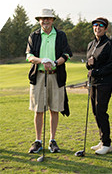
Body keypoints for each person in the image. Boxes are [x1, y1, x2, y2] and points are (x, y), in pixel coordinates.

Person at [26, 8, 72, 154]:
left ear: (52, 20)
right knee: (39, 110)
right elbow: (29, 56)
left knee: (54, 109)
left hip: (56, 75)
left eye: (48, 18)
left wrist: (54, 62)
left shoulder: (60, 35)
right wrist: (42, 61)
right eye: (43, 18)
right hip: (38, 75)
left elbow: (66, 54)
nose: (45, 21)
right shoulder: (34, 35)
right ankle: (38, 141)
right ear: (39, 20)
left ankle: (52, 140)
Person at [86, 17, 112, 155]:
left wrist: (96, 71)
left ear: (105, 29)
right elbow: (88, 63)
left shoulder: (109, 44)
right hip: (93, 82)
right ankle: (102, 139)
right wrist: (89, 64)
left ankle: (107, 143)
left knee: (101, 111)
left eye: (100, 26)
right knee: (95, 111)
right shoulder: (91, 44)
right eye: (95, 26)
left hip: (105, 82)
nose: (97, 28)